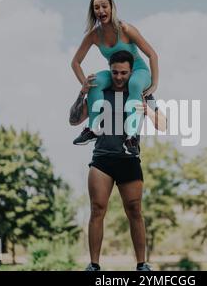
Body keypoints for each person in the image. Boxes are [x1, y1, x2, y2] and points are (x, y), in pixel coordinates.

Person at [69, 50, 166, 271]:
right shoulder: (100, 91)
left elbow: (163, 124)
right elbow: (74, 120)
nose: (119, 77)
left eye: (124, 73)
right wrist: (81, 93)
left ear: (132, 72)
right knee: (97, 209)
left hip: (129, 159)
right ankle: (94, 265)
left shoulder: (142, 93)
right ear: (109, 70)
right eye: (115, 72)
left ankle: (142, 265)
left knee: (134, 211)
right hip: (102, 159)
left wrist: (147, 112)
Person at [71, 0, 159, 156]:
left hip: (138, 72)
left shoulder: (125, 29)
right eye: (96, 7)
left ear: (112, 8)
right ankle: (94, 129)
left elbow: (152, 55)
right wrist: (84, 83)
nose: (101, 10)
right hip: (116, 74)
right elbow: (75, 62)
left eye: (104, 6)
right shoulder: (94, 35)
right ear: (93, 12)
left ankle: (131, 137)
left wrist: (154, 83)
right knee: (94, 81)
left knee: (133, 84)